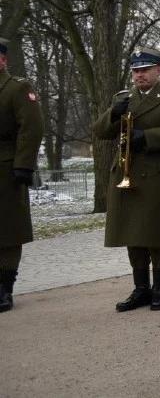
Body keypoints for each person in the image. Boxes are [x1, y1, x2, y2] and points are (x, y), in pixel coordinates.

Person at [92, 46, 160, 312]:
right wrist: (114, 113)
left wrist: (148, 138)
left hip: (159, 175)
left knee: (156, 233)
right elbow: (101, 132)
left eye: (145, 70)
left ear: (159, 70)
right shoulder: (123, 98)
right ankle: (141, 288)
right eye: (136, 71)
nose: (140, 75)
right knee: (132, 232)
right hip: (128, 173)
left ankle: (159, 288)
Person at [0, 38, 45, 313]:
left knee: (7, 230)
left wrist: (23, 165)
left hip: (5, 167)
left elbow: (31, 127)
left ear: (3, 59)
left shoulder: (16, 88)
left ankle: (5, 288)